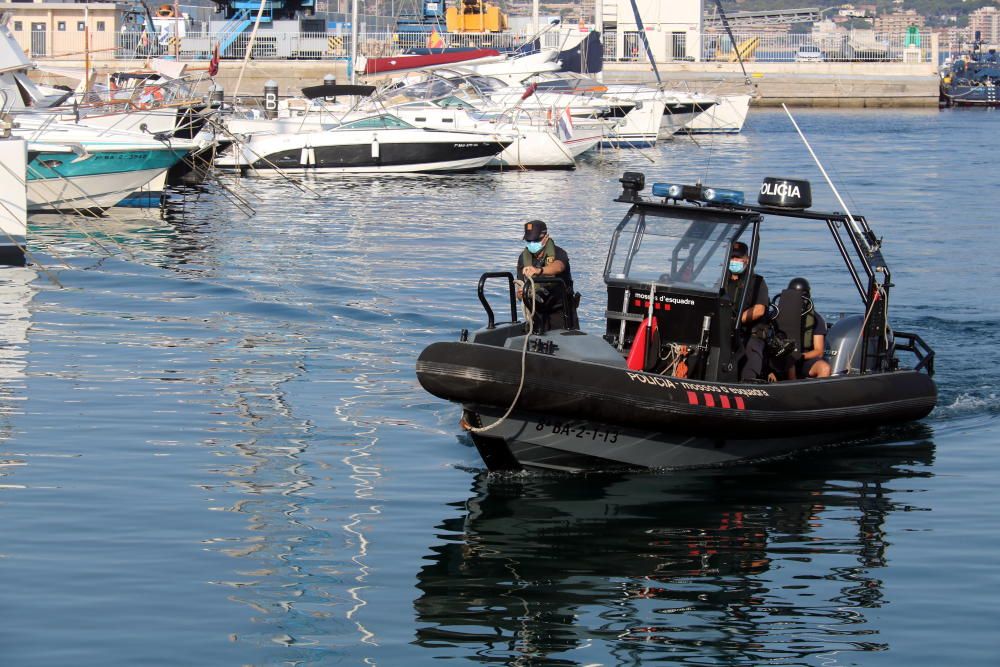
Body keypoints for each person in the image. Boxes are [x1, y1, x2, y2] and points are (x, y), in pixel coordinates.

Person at [517, 220, 574, 331]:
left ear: (546, 237)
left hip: (561, 311)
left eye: (536, 240)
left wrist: (539, 271)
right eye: (529, 241)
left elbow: (559, 266)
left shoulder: (559, 252)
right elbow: (519, 288)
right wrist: (521, 294)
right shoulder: (523, 259)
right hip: (536, 312)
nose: (532, 243)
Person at [724, 241, 769, 381]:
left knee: (749, 363)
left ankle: (747, 384)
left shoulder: (757, 282)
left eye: (738, 258)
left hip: (750, 334)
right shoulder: (722, 282)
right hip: (726, 332)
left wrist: (736, 321)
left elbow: (759, 310)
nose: (735, 261)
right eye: (732, 258)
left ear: (747, 259)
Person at [784, 277, 832, 379]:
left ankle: (816, 394)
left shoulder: (815, 319)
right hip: (781, 358)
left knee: (825, 368)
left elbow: (819, 351)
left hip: (803, 358)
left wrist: (800, 356)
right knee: (789, 361)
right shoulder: (778, 315)